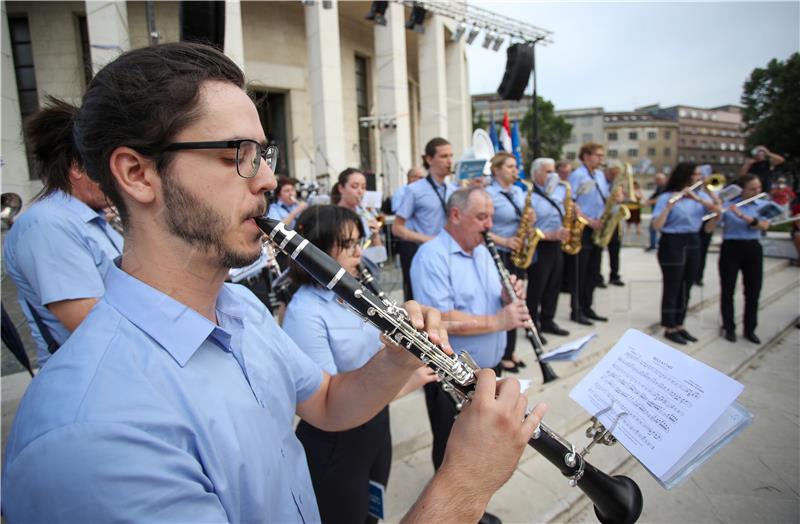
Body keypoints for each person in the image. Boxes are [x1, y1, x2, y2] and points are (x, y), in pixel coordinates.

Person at [1, 42, 546, 523]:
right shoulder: (92, 434)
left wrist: (399, 357)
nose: (266, 179)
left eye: (263, 153)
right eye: (236, 154)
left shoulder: (239, 307)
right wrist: (465, 484)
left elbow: (330, 404)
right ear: (137, 173)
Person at [282, 205, 436, 524]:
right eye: (348, 245)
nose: (358, 253)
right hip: (337, 440)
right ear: (319, 251)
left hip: (377, 426)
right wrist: (409, 377)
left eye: (359, 243)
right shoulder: (305, 313)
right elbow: (329, 399)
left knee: (372, 514)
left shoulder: (356, 294)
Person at [410, 186, 531, 524]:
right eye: (482, 217)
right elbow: (441, 319)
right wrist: (499, 320)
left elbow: (494, 300)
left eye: (491, 216)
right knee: (450, 451)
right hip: (450, 374)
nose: (489, 225)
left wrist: (508, 297)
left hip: (483, 371)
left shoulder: (483, 251)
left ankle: (469, 510)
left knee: (476, 449)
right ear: (455, 215)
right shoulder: (431, 256)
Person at [3, 97, 123, 367]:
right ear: (78, 167)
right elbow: (92, 326)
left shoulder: (84, 219)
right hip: (94, 376)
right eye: (108, 164)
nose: (117, 177)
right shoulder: (47, 225)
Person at [651, 162, 721, 345]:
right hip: (672, 242)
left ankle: (680, 323)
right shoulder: (667, 196)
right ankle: (669, 326)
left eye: (699, 175)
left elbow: (716, 211)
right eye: (695, 175)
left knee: (687, 285)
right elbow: (656, 225)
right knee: (673, 285)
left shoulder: (700, 197)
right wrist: (669, 205)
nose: (699, 178)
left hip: (693, 240)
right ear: (685, 176)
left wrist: (699, 196)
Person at [704, 174, 771, 343]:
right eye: (752, 189)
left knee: (753, 291)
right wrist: (717, 215)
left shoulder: (763, 204)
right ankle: (729, 327)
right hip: (731, 247)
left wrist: (742, 215)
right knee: (728, 290)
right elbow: (709, 229)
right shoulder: (728, 205)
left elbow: (764, 225)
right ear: (742, 190)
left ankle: (750, 329)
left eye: (758, 188)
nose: (757, 191)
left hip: (753, 247)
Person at [392, 138, 457, 301]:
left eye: (451, 156)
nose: (449, 161)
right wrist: (427, 239)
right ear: (429, 159)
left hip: (448, 255)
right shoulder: (414, 190)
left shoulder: (453, 190)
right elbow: (397, 228)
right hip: (423, 255)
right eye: (443, 156)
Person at [485, 152, 532, 373]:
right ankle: (502, 354)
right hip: (498, 252)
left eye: (516, 167)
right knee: (503, 301)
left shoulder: (517, 191)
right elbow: (482, 228)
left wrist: (530, 221)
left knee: (518, 299)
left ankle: (510, 349)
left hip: (516, 253)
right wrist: (504, 240)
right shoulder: (488, 194)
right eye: (511, 167)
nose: (516, 171)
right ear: (497, 170)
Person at [527, 157, 571, 339]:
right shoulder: (530, 196)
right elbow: (527, 228)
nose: (553, 175)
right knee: (537, 287)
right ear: (536, 174)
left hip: (556, 245)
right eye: (548, 171)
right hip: (540, 245)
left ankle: (548, 320)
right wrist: (550, 234)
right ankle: (532, 325)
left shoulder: (557, 193)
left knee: (554, 284)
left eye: (553, 171)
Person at [568, 143, 610, 325]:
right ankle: (576, 310)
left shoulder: (600, 175)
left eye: (602, 155)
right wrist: (588, 220)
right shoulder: (577, 175)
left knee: (594, 270)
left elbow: (604, 198)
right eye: (597, 155)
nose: (601, 159)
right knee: (580, 271)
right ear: (586, 156)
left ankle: (588, 306)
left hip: (598, 226)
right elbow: (571, 203)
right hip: (583, 227)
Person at [332, 167, 384, 253]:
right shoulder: (332, 215)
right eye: (355, 186)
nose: (360, 191)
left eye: (363, 187)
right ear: (341, 188)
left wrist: (375, 235)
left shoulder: (366, 214)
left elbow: (379, 253)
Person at [600, 161, 625, 287]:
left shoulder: (618, 185)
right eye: (612, 173)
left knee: (615, 250)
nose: (614, 176)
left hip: (614, 221)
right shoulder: (601, 182)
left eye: (616, 174)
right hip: (602, 220)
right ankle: (597, 277)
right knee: (598, 251)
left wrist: (621, 198)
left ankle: (614, 275)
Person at [645, 172, 668, 251]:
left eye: (659, 179)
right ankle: (654, 244)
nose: (656, 181)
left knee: (656, 228)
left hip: (662, 213)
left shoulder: (664, 188)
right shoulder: (659, 188)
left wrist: (649, 202)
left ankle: (654, 245)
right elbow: (654, 196)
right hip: (657, 212)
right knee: (654, 229)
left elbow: (659, 198)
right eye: (656, 179)